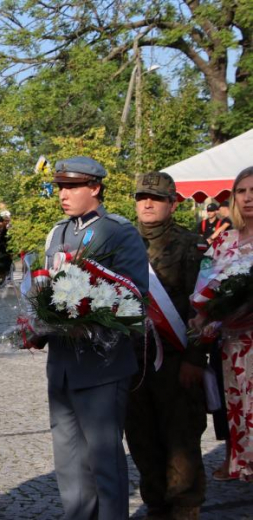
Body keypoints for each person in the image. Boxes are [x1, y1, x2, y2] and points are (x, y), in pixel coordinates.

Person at [43, 156, 149, 520]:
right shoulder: (58, 233)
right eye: (60, 187)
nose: (64, 194)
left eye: (72, 187)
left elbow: (135, 299)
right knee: (69, 465)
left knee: (104, 464)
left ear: (95, 188)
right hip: (62, 365)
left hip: (102, 367)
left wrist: (88, 318)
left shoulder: (119, 232)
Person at [126, 171, 208, 519]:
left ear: (172, 204)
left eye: (156, 198)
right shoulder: (122, 244)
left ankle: (185, 505)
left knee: (181, 439)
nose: (147, 203)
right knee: (141, 437)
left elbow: (201, 307)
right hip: (134, 360)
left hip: (176, 360)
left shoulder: (191, 245)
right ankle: (156, 503)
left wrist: (194, 358)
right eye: (142, 197)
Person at [193, 166, 253, 482]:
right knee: (238, 415)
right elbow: (204, 287)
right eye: (241, 191)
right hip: (230, 346)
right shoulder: (222, 241)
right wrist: (203, 316)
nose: (248, 198)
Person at [0, 217, 12, 288]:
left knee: (6, 267)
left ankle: (6, 280)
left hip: (5, 251)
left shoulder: (6, 231)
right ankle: (1, 281)